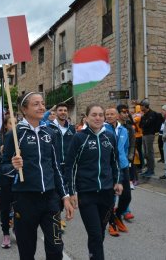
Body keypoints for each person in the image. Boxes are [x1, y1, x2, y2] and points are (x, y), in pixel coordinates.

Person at [3, 92, 73, 260]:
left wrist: (65, 196)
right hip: (25, 200)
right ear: (24, 109)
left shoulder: (50, 133)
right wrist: (13, 166)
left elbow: (56, 167)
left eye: (43, 103)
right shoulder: (15, 134)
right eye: (36, 104)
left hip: (51, 199)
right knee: (27, 252)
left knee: (56, 248)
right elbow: (2, 166)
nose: (42, 107)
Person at [65, 104, 122, 260]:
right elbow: (70, 166)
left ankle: (93, 256)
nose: (98, 118)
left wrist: (118, 181)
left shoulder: (109, 137)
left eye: (100, 115)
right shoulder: (79, 138)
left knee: (100, 232)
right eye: (94, 115)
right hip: (86, 194)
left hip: (107, 194)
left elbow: (115, 162)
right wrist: (71, 192)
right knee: (95, 234)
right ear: (86, 118)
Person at [46, 102, 76, 232]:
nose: (63, 112)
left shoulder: (72, 129)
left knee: (66, 193)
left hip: (68, 167)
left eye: (65, 110)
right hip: (54, 166)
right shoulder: (49, 127)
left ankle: (57, 217)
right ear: (56, 112)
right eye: (60, 110)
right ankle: (56, 220)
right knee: (56, 195)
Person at [104, 107, 130, 237]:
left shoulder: (124, 130)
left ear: (117, 116)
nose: (109, 116)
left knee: (126, 196)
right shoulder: (102, 129)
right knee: (111, 196)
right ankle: (111, 223)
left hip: (123, 166)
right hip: (109, 167)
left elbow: (125, 148)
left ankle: (117, 215)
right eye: (107, 114)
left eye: (111, 114)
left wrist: (124, 160)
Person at [0, 116, 16, 248]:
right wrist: (1, 153)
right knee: (5, 207)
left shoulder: (21, 139)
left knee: (20, 205)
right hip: (5, 178)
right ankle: (6, 233)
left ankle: (17, 228)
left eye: (17, 123)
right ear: (6, 125)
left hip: (19, 179)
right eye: (12, 123)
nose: (15, 126)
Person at [139, 99, 157, 177]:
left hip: (149, 134)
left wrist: (144, 123)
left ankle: (151, 170)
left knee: (150, 153)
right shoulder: (144, 115)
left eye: (141, 106)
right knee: (146, 153)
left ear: (145, 106)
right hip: (144, 134)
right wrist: (144, 122)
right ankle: (148, 169)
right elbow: (140, 125)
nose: (140, 107)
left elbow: (146, 124)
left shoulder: (152, 114)